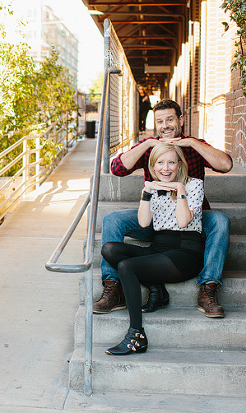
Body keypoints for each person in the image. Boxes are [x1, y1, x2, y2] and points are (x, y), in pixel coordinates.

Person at [94, 99, 233, 318]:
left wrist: (192, 143)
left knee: (220, 221)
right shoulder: (152, 149)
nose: (165, 125)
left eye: (170, 119)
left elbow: (226, 165)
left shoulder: (194, 146)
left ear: (181, 120)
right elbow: (117, 169)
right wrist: (148, 145)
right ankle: (113, 287)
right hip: (156, 219)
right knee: (112, 220)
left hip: (191, 218)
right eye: (160, 121)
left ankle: (208, 288)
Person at [100, 143, 205, 355]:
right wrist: (147, 193)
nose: (166, 168)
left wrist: (180, 190)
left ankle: (136, 335)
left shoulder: (194, 185)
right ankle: (156, 288)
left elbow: (184, 222)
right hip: (159, 248)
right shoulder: (152, 188)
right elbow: (143, 222)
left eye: (171, 163)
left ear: (179, 165)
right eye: (160, 163)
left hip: (185, 254)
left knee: (127, 267)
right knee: (110, 250)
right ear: (153, 166)